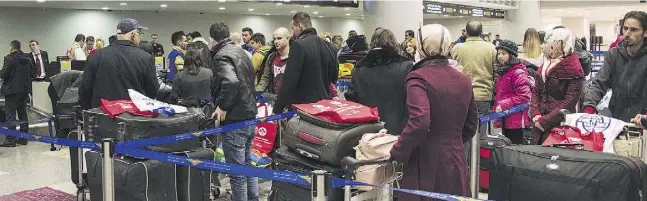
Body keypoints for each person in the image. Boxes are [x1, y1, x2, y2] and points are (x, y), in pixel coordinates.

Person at [390, 24, 477, 201]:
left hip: (425, 161)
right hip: (456, 159)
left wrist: (397, 152)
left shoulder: (418, 77)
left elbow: (419, 121)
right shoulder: (464, 79)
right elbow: (471, 125)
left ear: (421, 46)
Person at [208, 21, 258, 201]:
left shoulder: (221, 55)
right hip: (249, 114)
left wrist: (222, 106)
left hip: (235, 118)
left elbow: (231, 82)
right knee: (246, 165)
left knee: (237, 173)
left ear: (212, 39)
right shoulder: (241, 52)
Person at [344, 28, 413, 135]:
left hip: (368, 132)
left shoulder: (359, 68)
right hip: (400, 132)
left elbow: (352, 102)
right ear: (393, 44)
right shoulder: (406, 66)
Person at [79, 18, 159, 110]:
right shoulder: (145, 58)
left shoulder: (95, 56)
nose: (140, 38)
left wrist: (92, 109)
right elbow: (153, 91)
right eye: (139, 34)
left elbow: (85, 89)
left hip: (103, 116)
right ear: (133, 34)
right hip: (134, 117)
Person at [584, 11, 647, 122]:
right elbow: (599, 83)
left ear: (645, 33)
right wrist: (589, 108)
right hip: (617, 120)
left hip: (643, 122)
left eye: (634, 30)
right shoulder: (613, 55)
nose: (627, 33)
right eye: (625, 28)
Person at [273, 12, 339, 114]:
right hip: (324, 105)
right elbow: (334, 78)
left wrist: (277, 109)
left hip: (303, 108)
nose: (293, 32)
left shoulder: (298, 45)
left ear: (299, 26)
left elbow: (289, 81)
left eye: (293, 28)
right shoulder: (329, 46)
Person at [530, 27, 584, 144]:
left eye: (545, 42)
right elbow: (536, 92)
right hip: (538, 124)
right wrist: (535, 114)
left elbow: (569, 102)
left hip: (559, 126)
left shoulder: (574, 69)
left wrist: (545, 121)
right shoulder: (544, 66)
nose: (541, 46)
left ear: (557, 44)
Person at [451, 20, 497, 137]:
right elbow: (496, 72)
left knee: (463, 132)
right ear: (481, 32)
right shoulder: (491, 48)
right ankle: (480, 154)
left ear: (466, 32)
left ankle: (466, 155)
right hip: (483, 95)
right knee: (481, 134)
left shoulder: (457, 48)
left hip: (461, 95)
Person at [493, 40, 532, 144]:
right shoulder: (503, 72)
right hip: (506, 118)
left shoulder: (518, 72)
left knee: (515, 149)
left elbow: (525, 97)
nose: (500, 56)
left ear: (511, 55)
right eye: (498, 53)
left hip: (516, 120)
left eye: (503, 53)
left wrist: (503, 104)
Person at [0, 40, 36, 147]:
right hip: (24, 90)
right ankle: (23, 138)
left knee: (10, 115)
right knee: (23, 114)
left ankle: (11, 140)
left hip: (11, 91)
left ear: (11, 47)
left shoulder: (9, 58)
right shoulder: (28, 58)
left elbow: (3, 74)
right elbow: (33, 74)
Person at [170, 43, 214, 108]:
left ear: (185, 59)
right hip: (207, 110)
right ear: (200, 58)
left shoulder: (179, 75)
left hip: (188, 111)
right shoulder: (209, 72)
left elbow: (173, 97)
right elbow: (215, 93)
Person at [255, 27, 291, 94]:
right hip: (274, 97)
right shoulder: (271, 57)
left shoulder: (295, 56)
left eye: (279, 38)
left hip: (290, 98)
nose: (276, 41)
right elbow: (265, 78)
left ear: (288, 39)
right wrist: (256, 91)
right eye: (274, 39)